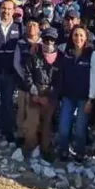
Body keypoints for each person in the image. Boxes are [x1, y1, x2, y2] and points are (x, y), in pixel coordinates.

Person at [55, 25, 95, 160]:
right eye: (75, 35)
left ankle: (79, 150)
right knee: (63, 126)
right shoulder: (66, 51)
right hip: (68, 95)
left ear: (86, 37)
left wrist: (91, 99)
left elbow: (94, 78)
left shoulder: (92, 55)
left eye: (81, 35)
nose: (78, 38)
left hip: (84, 98)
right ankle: (63, 149)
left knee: (81, 128)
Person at [0, 0, 23, 145]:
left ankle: (7, 131)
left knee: (7, 103)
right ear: (0, 9)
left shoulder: (19, 28)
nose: (6, 11)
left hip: (10, 73)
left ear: (14, 11)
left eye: (9, 9)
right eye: (3, 8)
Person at [22, 28, 61, 157]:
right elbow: (27, 75)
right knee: (31, 123)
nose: (49, 42)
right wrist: (35, 94)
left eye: (52, 40)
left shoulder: (61, 58)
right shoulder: (34, 55)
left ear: (56, 41)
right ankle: (30, 146)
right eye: (46, 39)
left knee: (47, 123)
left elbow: (61, 80)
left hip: (51, 95)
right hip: (35, 92)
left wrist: (50, 96)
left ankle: (46, 149)